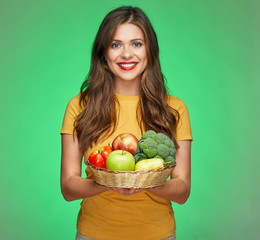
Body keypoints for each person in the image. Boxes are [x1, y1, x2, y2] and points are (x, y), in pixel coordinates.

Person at [60, 6, 192, 240]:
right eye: (115, 44)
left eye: (137, 44)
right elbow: (68, 188)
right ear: (103, 53)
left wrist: (146, 182)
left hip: (157, 234)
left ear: (150, 50)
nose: (127, 54)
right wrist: (109, 183)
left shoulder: (174, 109)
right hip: (94, 234)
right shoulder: (80, 106)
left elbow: (182, 191)